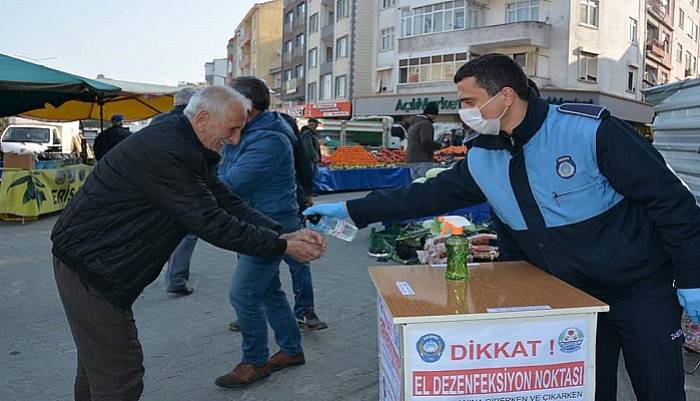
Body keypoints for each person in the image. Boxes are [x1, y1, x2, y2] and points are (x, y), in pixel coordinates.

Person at [304, 53, 700, 401]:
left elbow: (670, 200)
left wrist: (692, 278)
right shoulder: (483, 154)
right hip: (569, 300)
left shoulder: (588, 131)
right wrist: (351, 210)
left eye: (469, 101)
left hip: (639, 290)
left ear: (505, 96)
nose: (464, 110)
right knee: (586, 392)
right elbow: (425, 196)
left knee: (659, 389)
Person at [51, 86, 325, 401]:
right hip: (91, 270)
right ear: (204, 119)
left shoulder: (185, 140)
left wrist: (278, 233)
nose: (235, 139)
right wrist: (283, 246)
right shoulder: (170, 151)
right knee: (119, 378)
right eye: (232, 129)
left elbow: (223, 199)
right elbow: (211, 222)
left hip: (94, 264)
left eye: (240, 130)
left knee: (97, 368)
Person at [215, 76, 326, 389]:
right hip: (252, 221)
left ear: (246, 108)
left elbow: (229, 183)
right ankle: (291, 349)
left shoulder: (268, 139)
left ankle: (255, 360)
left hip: (271, 224)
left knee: (244, 293)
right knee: (267, 291)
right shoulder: (249, 132)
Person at [152, 87, 200, 296]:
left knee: (164, 230)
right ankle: (176, 279)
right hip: (184, 186)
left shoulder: (158, 122)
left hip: (156, 186)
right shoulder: (193, 123)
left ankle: (161, 273)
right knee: (187, 233)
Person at [406, 101, 443, 179]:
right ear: (433, 114)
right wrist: (440, 146)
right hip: (423, 158)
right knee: (426, 181)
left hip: (412, 158)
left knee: (417, 183)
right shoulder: (425, 124)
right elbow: (426, 141)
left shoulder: (414, 123)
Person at [298, 117, 322, 210]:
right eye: (316, 124)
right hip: (309, 159)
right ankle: (308, 194)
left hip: (310, 158)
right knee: (310, 175)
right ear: (312, 124)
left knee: (313, 175)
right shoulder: (307, 133)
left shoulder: (310, 133)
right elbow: (309, 147)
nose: (317, 126)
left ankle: (310, 192)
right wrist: (315, 157)